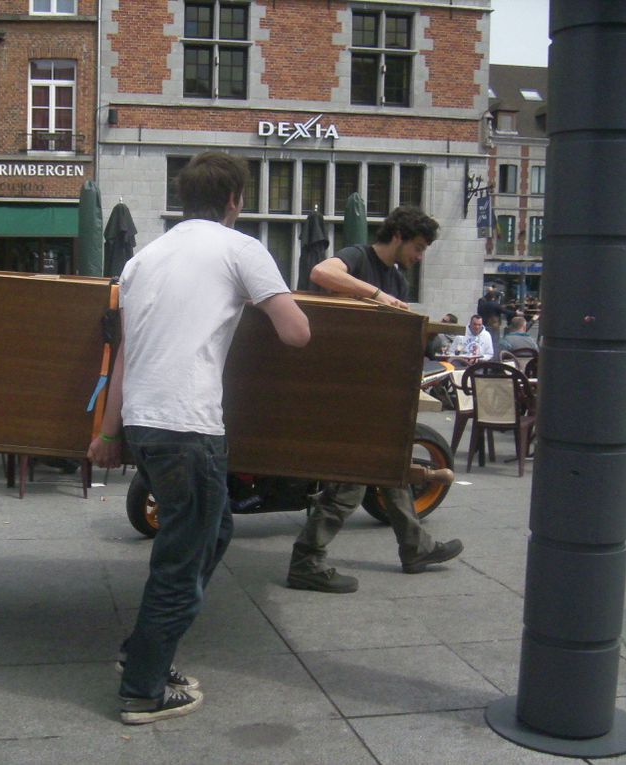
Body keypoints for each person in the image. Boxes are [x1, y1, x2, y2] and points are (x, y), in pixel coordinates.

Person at [87, 151, 310, 724]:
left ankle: (146, 648)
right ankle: (144, 687)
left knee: (213, 530)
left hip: (144, 420)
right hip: (189, 425)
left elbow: (127, 351)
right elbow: (296, 333)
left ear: (184, 198)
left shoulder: (144, 257)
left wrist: (108, 431)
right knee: (182, 559)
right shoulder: (240, 249)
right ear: (235, 199)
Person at [287, 206, 463, 595]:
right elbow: (321, 273)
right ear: (398, 236)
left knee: (390, 464)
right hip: (337, 389)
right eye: (417, 247)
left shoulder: (397, 279)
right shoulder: (358, 257)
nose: (419, 257)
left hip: (370, 390)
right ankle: (305, 559)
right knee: (353, 477)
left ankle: (415, 548)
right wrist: (378, 294)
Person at [477, 288, 514, 358]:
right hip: (493, 325)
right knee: (494, 343)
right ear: (494, 297)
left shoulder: (482, 303)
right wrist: (515, 313)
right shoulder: (494, 304)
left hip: (484, 324)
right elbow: (505, 311)